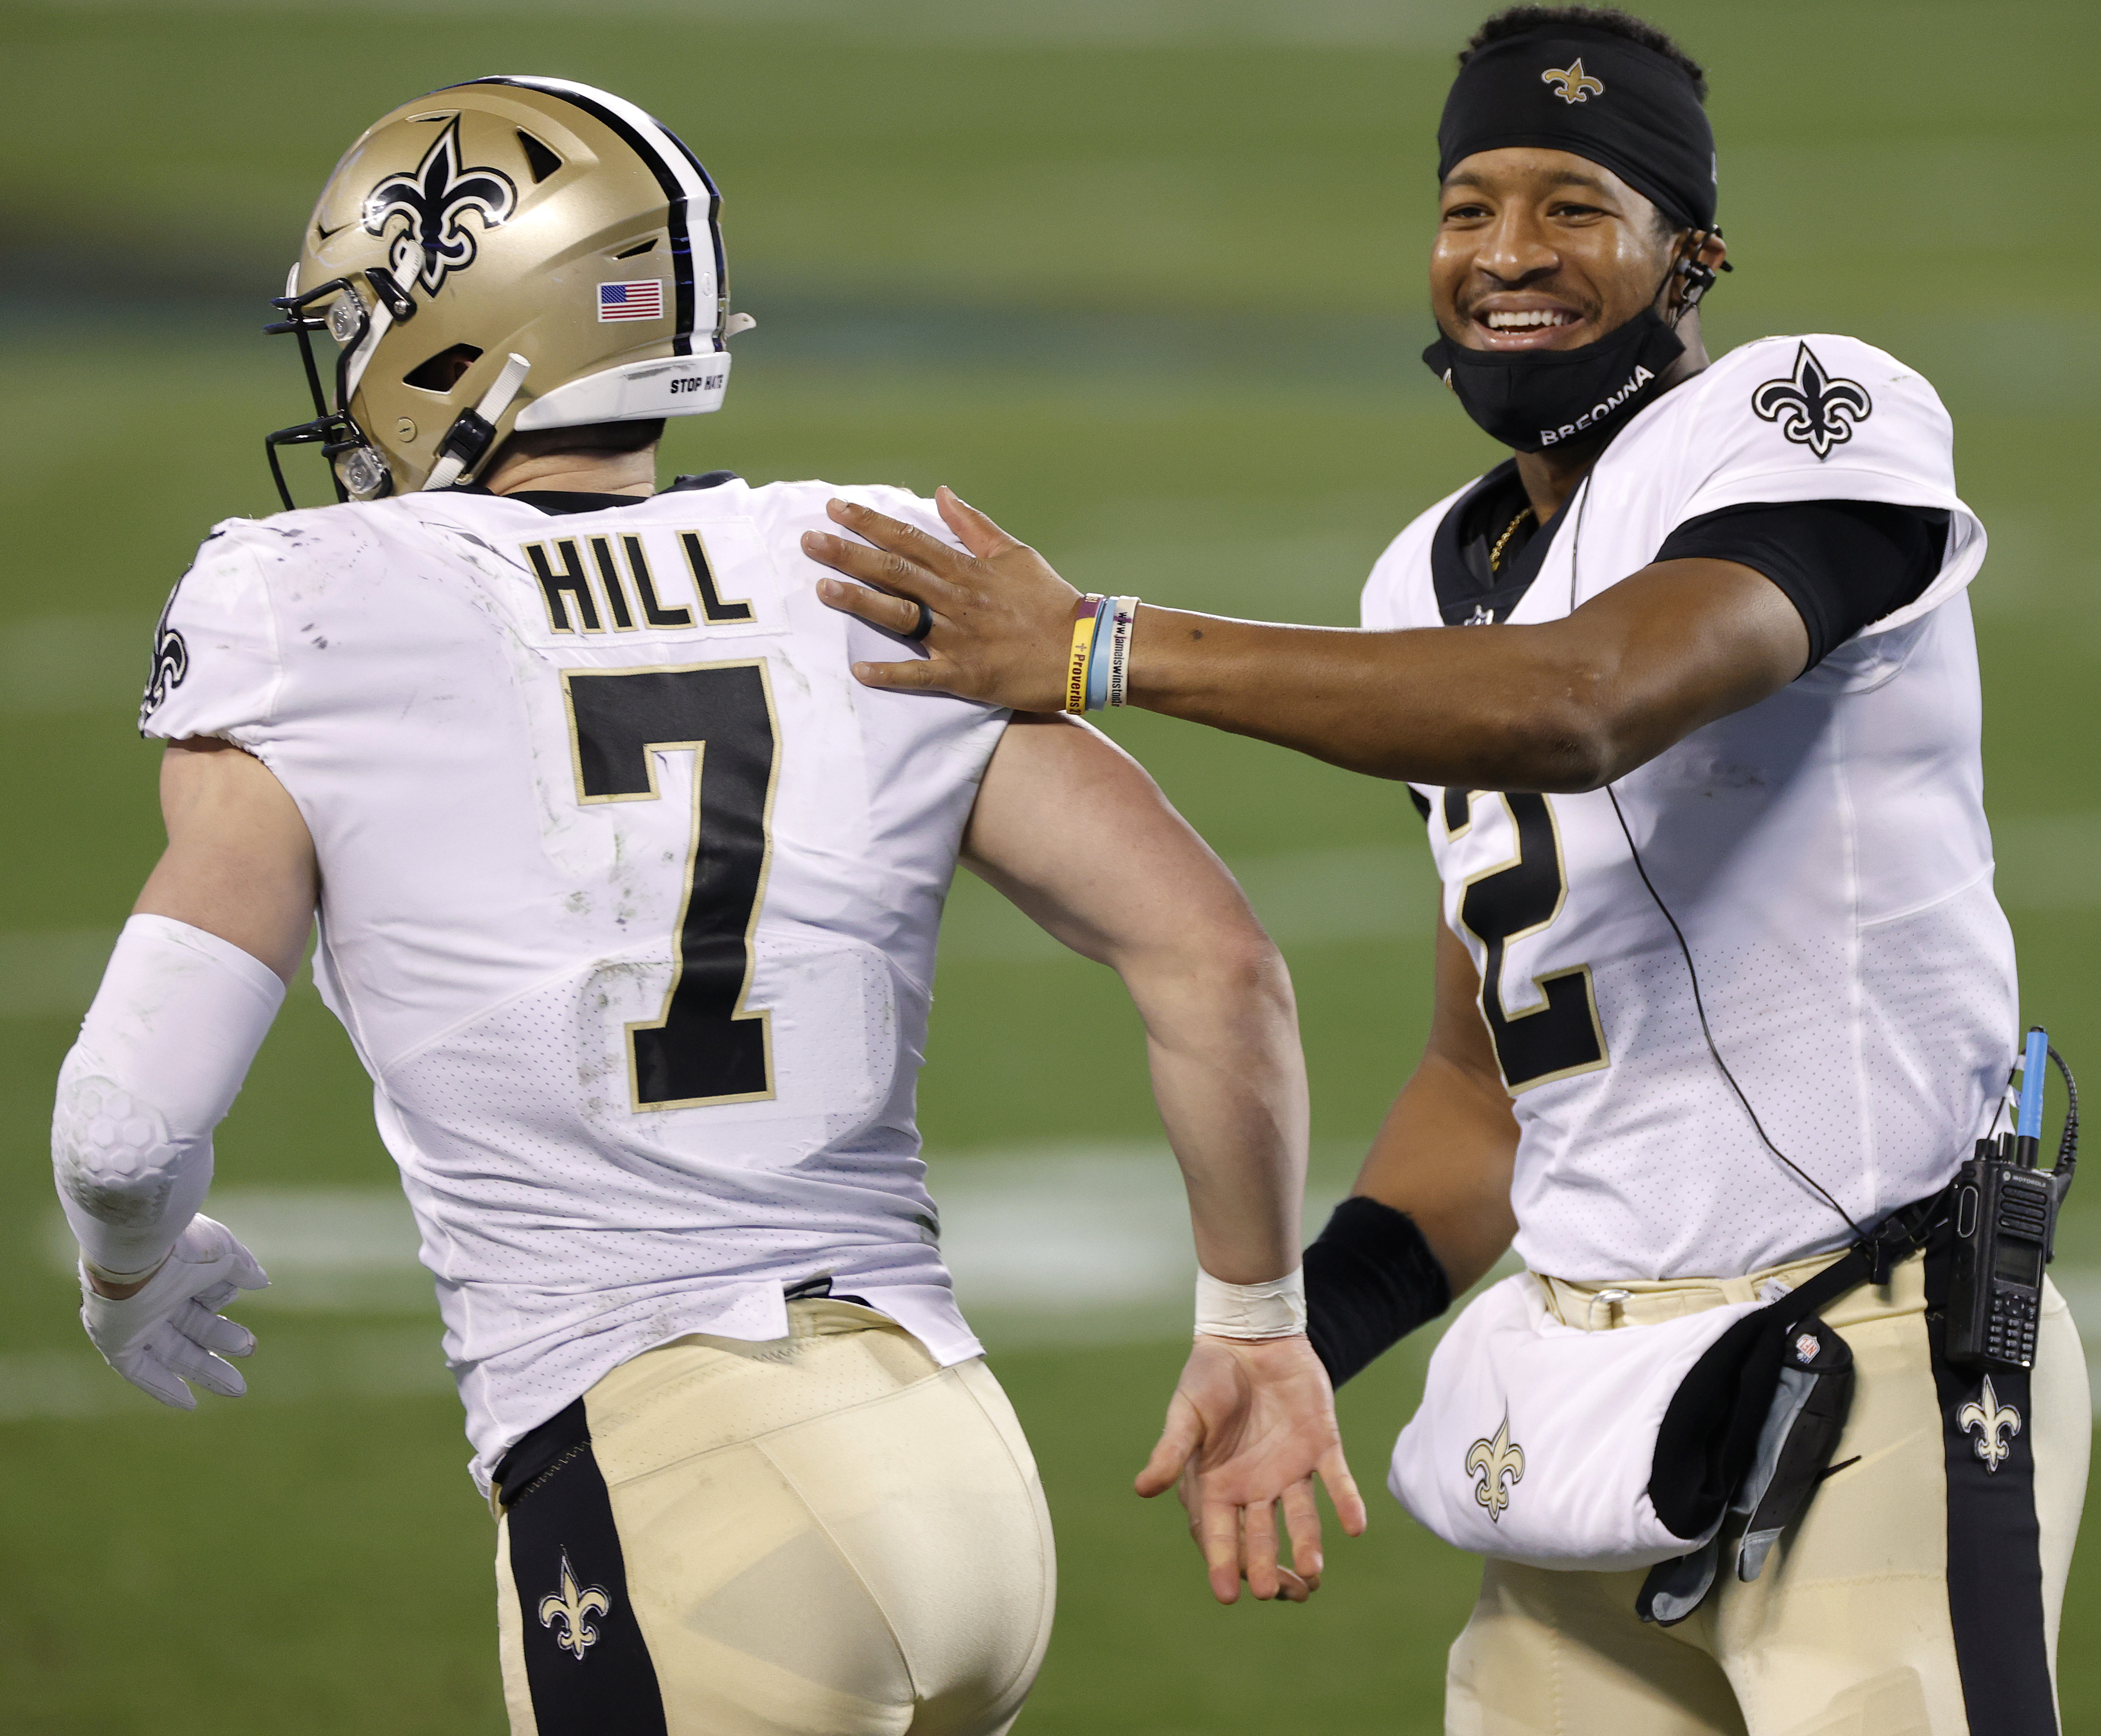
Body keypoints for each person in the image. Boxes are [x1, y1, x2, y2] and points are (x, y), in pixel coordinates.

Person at [802, 8, 2090, 1733]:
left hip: (1871, 1363)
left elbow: (1586, 702)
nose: (1508, 254)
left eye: (1575, 206)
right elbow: (1484, 1097)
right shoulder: (1429, 575)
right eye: (1469, 206)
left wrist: (1104, 646)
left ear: (1692, 252)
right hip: (1589, 1400)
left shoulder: (1806, 414)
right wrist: (1291, 1333)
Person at [52, 75, 1358, 1736]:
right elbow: (1219, 961)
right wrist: (1255, 1324)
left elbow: (124, 1128)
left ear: (465, 319)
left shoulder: (311, 600)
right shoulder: (863, 565)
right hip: (958, 1468)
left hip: (676, 1486)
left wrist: (130, 1270)